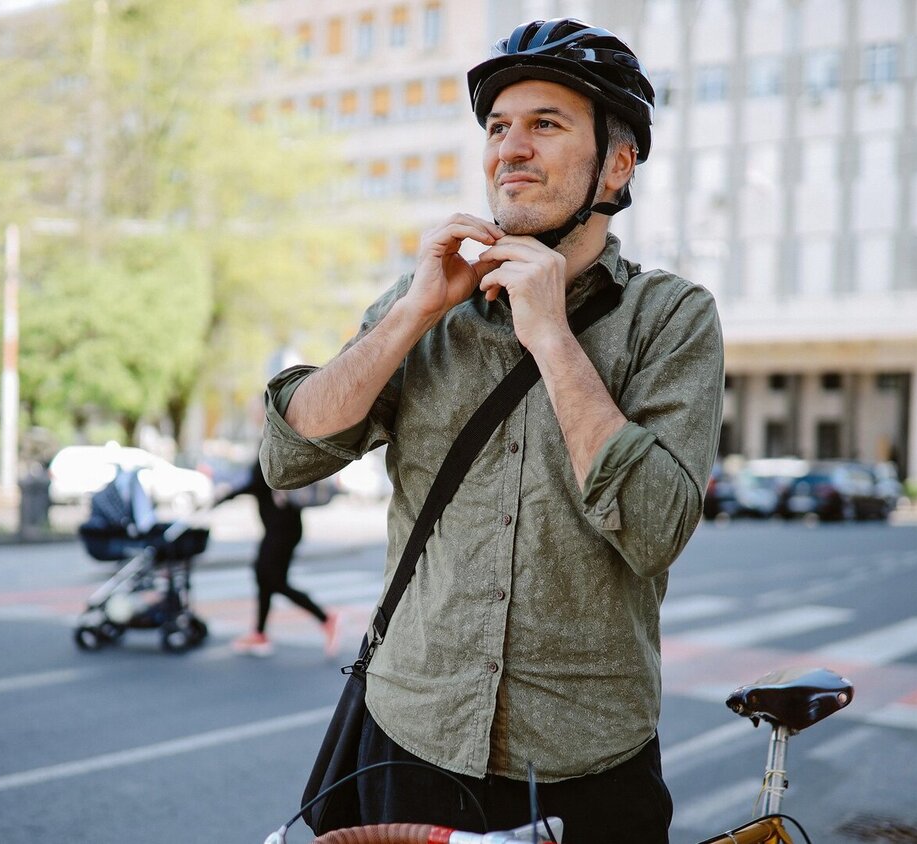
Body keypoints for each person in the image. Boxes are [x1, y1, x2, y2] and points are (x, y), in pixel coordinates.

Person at [260, 18, 723, 844]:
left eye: (545, 124)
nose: (510, 148)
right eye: (498, 127)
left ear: (617, 164)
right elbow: (289, 456)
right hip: (412, 737)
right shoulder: (426, 303)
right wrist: (411, 313)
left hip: (589, 757)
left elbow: (655, 527)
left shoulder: (672, 317)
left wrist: (550, 333)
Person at [222, 459, 340, 658]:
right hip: (280, 527)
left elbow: (259, 482)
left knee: (274, 581)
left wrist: (225, 495)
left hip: (282, 529)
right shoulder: (272, 440)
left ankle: (326, 619)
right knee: (264, 577)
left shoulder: (273, 441)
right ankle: (259, 633)